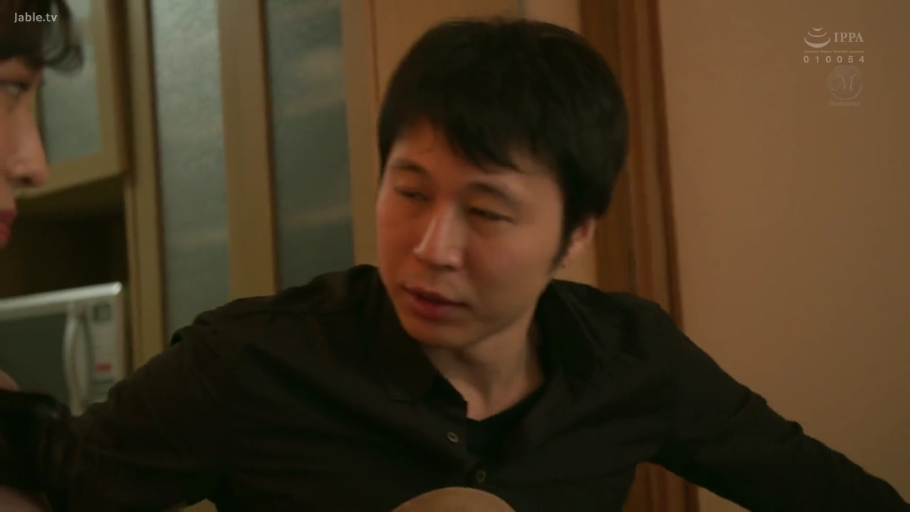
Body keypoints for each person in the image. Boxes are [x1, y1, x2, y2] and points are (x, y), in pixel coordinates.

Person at [1, 15, 908, 512]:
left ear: (576, 232)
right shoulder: (249, 361)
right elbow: (63, 469)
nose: (431, 249)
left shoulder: (634, 360)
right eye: (408, 192)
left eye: (487, 212)